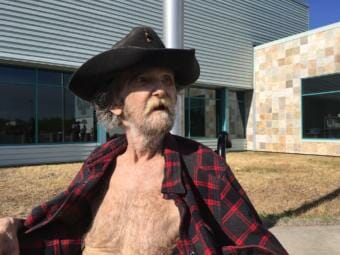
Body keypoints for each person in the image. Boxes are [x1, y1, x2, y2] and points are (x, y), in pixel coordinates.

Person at [0, 27, 288, 255]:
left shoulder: (203, 166)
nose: (161, 89)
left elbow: (263, 248)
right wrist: (14, 228)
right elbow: (61, 229)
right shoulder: (100, 164)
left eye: (167, 80)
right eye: (143, 80)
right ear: (115, 103)